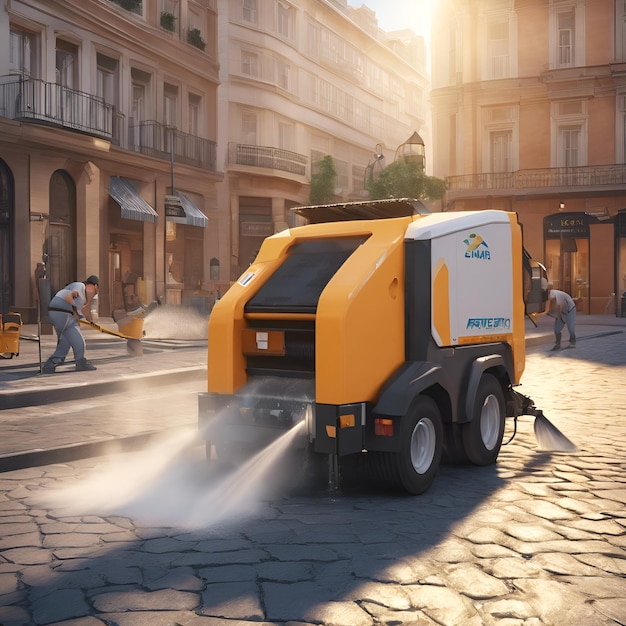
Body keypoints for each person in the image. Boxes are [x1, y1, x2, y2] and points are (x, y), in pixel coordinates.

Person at [43, 275, 100, 373]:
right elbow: (68, 298)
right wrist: (76, 313)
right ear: (94, 286)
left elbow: (84, 312)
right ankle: (79, 362)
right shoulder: (79, 286)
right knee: (76, 338)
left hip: (63, 313)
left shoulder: (82, 294)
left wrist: (90, 321)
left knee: (68, 339)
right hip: (61, 312)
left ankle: (52, 362)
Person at [544, 283, 576, 350]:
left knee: (570, 327)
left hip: (570, 309)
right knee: (557, 329)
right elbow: (549, 309)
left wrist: (558, 316)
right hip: (562, 312)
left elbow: (560, 305)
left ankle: (573, 342)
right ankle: (558, 344)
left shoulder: (554, 294)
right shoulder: (549, 297)